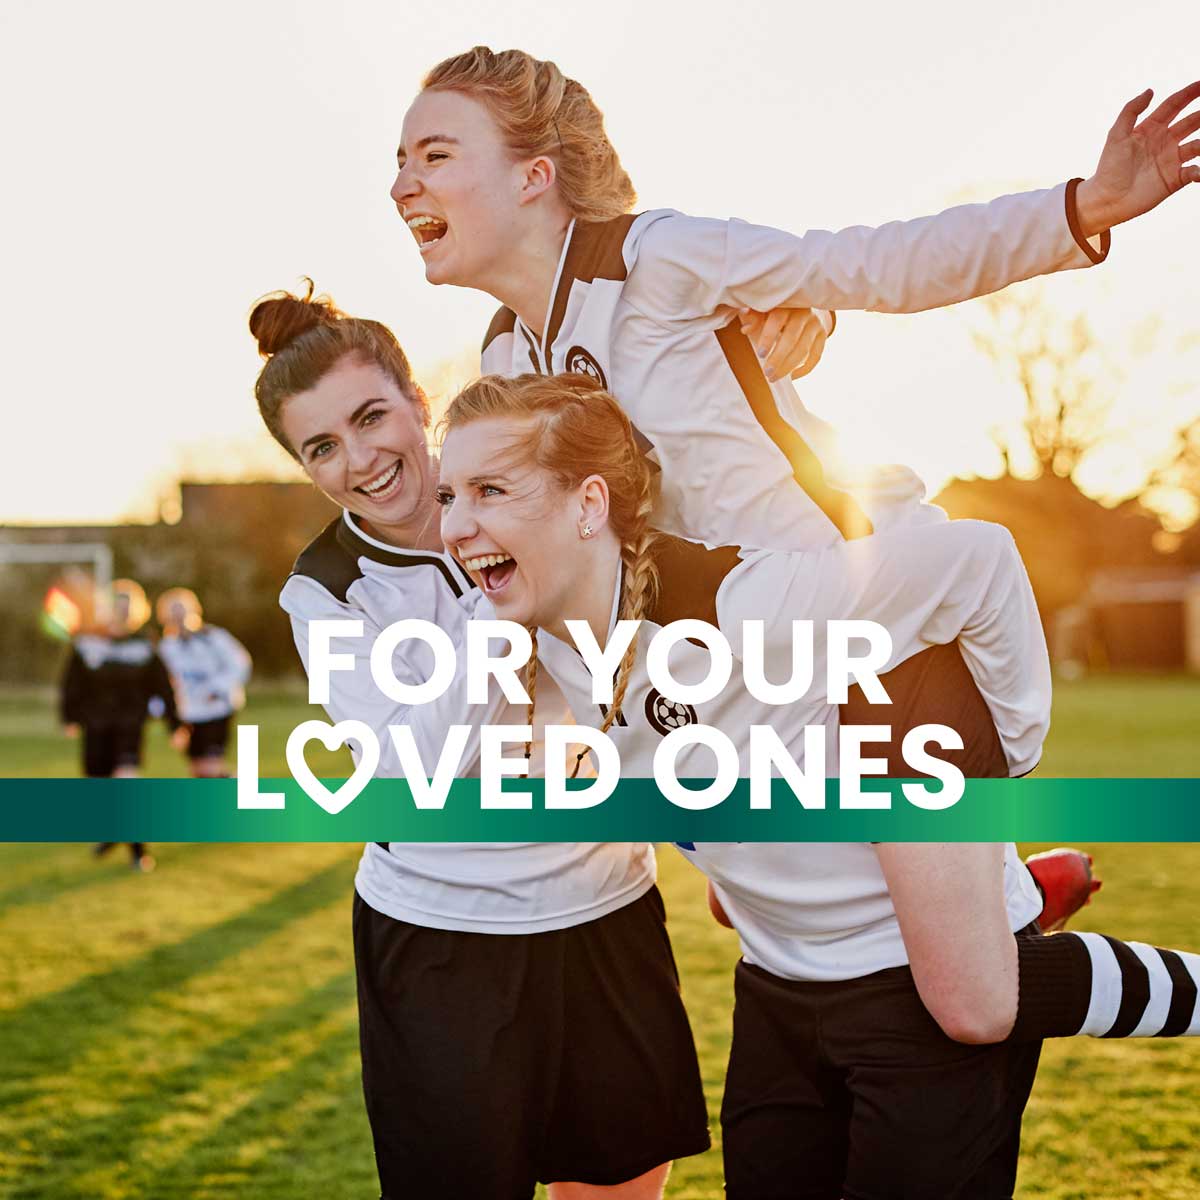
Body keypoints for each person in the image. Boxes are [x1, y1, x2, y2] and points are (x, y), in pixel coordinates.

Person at [436, 372, 1200, 1199]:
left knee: (976, 1004)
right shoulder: (516, 641)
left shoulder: (748, 600)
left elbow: (981, 559)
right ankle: (1020, 898)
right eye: (449, 495)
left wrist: (1005, 765)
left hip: (914, 981)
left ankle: (1056, 935)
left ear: (588, 505)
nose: (456, 524)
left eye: (490, 489)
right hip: (776, 987)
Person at [393, 47, 1200, 762]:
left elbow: (876, 261)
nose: (403, 185)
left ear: (534, 175)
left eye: (434, 154)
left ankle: (1013, 846)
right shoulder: (505, 357)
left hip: (857, 609)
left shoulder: (659, 259)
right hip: (737, 663)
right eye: (401, 161)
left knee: (958, 916)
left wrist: (1083, 207)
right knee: (816, 913)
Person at [250, 287, 711, 1200]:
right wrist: (493, 601)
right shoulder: (326, 593)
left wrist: (790, 323)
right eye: (323, 449)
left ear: (418, 402)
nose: (363, 460)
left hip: (604, 906)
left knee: (620, 1186)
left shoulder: (528, 461)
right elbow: (411, 771)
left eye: (372, 416)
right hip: (442, 935)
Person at [60, 578, 176, 872]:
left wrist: (175, 723)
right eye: (116, 607)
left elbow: (163, 686)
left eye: (126, 608)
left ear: (135, 612)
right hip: (95, 724)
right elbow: (72, 682)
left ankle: (139, 851)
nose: (120, 613)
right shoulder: (88, 642)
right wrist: (70, 716)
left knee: (126, 785)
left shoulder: (144, 645)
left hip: (129, 725)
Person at [155, 588, 252, 778]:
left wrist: (218, 688)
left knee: (210, 768)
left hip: (216, 710)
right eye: (174, 613)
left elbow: (240, 664)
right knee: (198, 770)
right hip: (188, 714)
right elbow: (161, 683)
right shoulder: (167, 647)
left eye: (182, 611)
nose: (179, 618)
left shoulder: (214, 638)